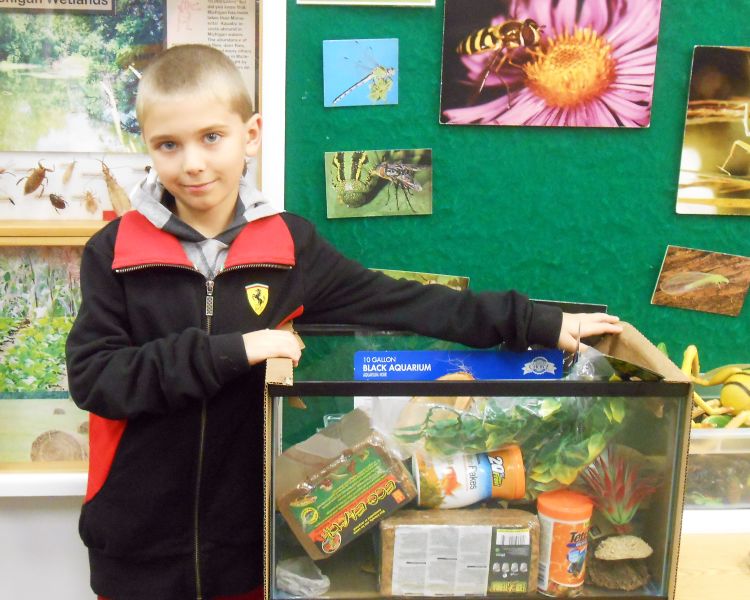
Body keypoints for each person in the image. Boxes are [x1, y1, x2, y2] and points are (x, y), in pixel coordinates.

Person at [65, 44, 622, 600]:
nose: (192, 162)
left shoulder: (289, 247)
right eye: (169, 144)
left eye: (212, 136)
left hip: (246, 549)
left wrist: (536, 321)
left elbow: (406, 303)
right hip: (134, 551)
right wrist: (237, 349)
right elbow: (96, 378)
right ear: (148, 147)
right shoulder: (115, 252)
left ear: (250, 135)